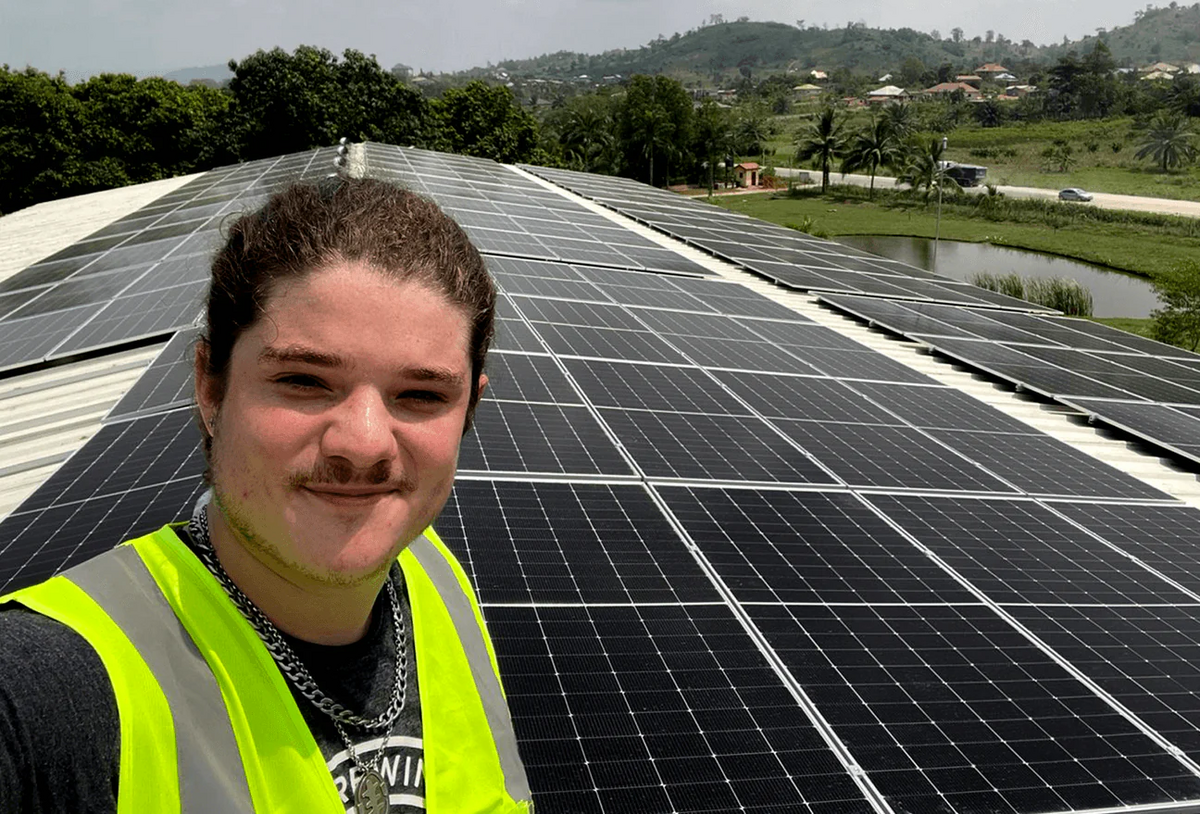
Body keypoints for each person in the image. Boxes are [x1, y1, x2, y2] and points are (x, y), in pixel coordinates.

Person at [0, 177, 533, 813]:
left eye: (422, 395)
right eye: (304, 380)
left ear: (470, 405)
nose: (362, 444)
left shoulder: (440, 583)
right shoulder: (47, 691)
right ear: (210, 386)